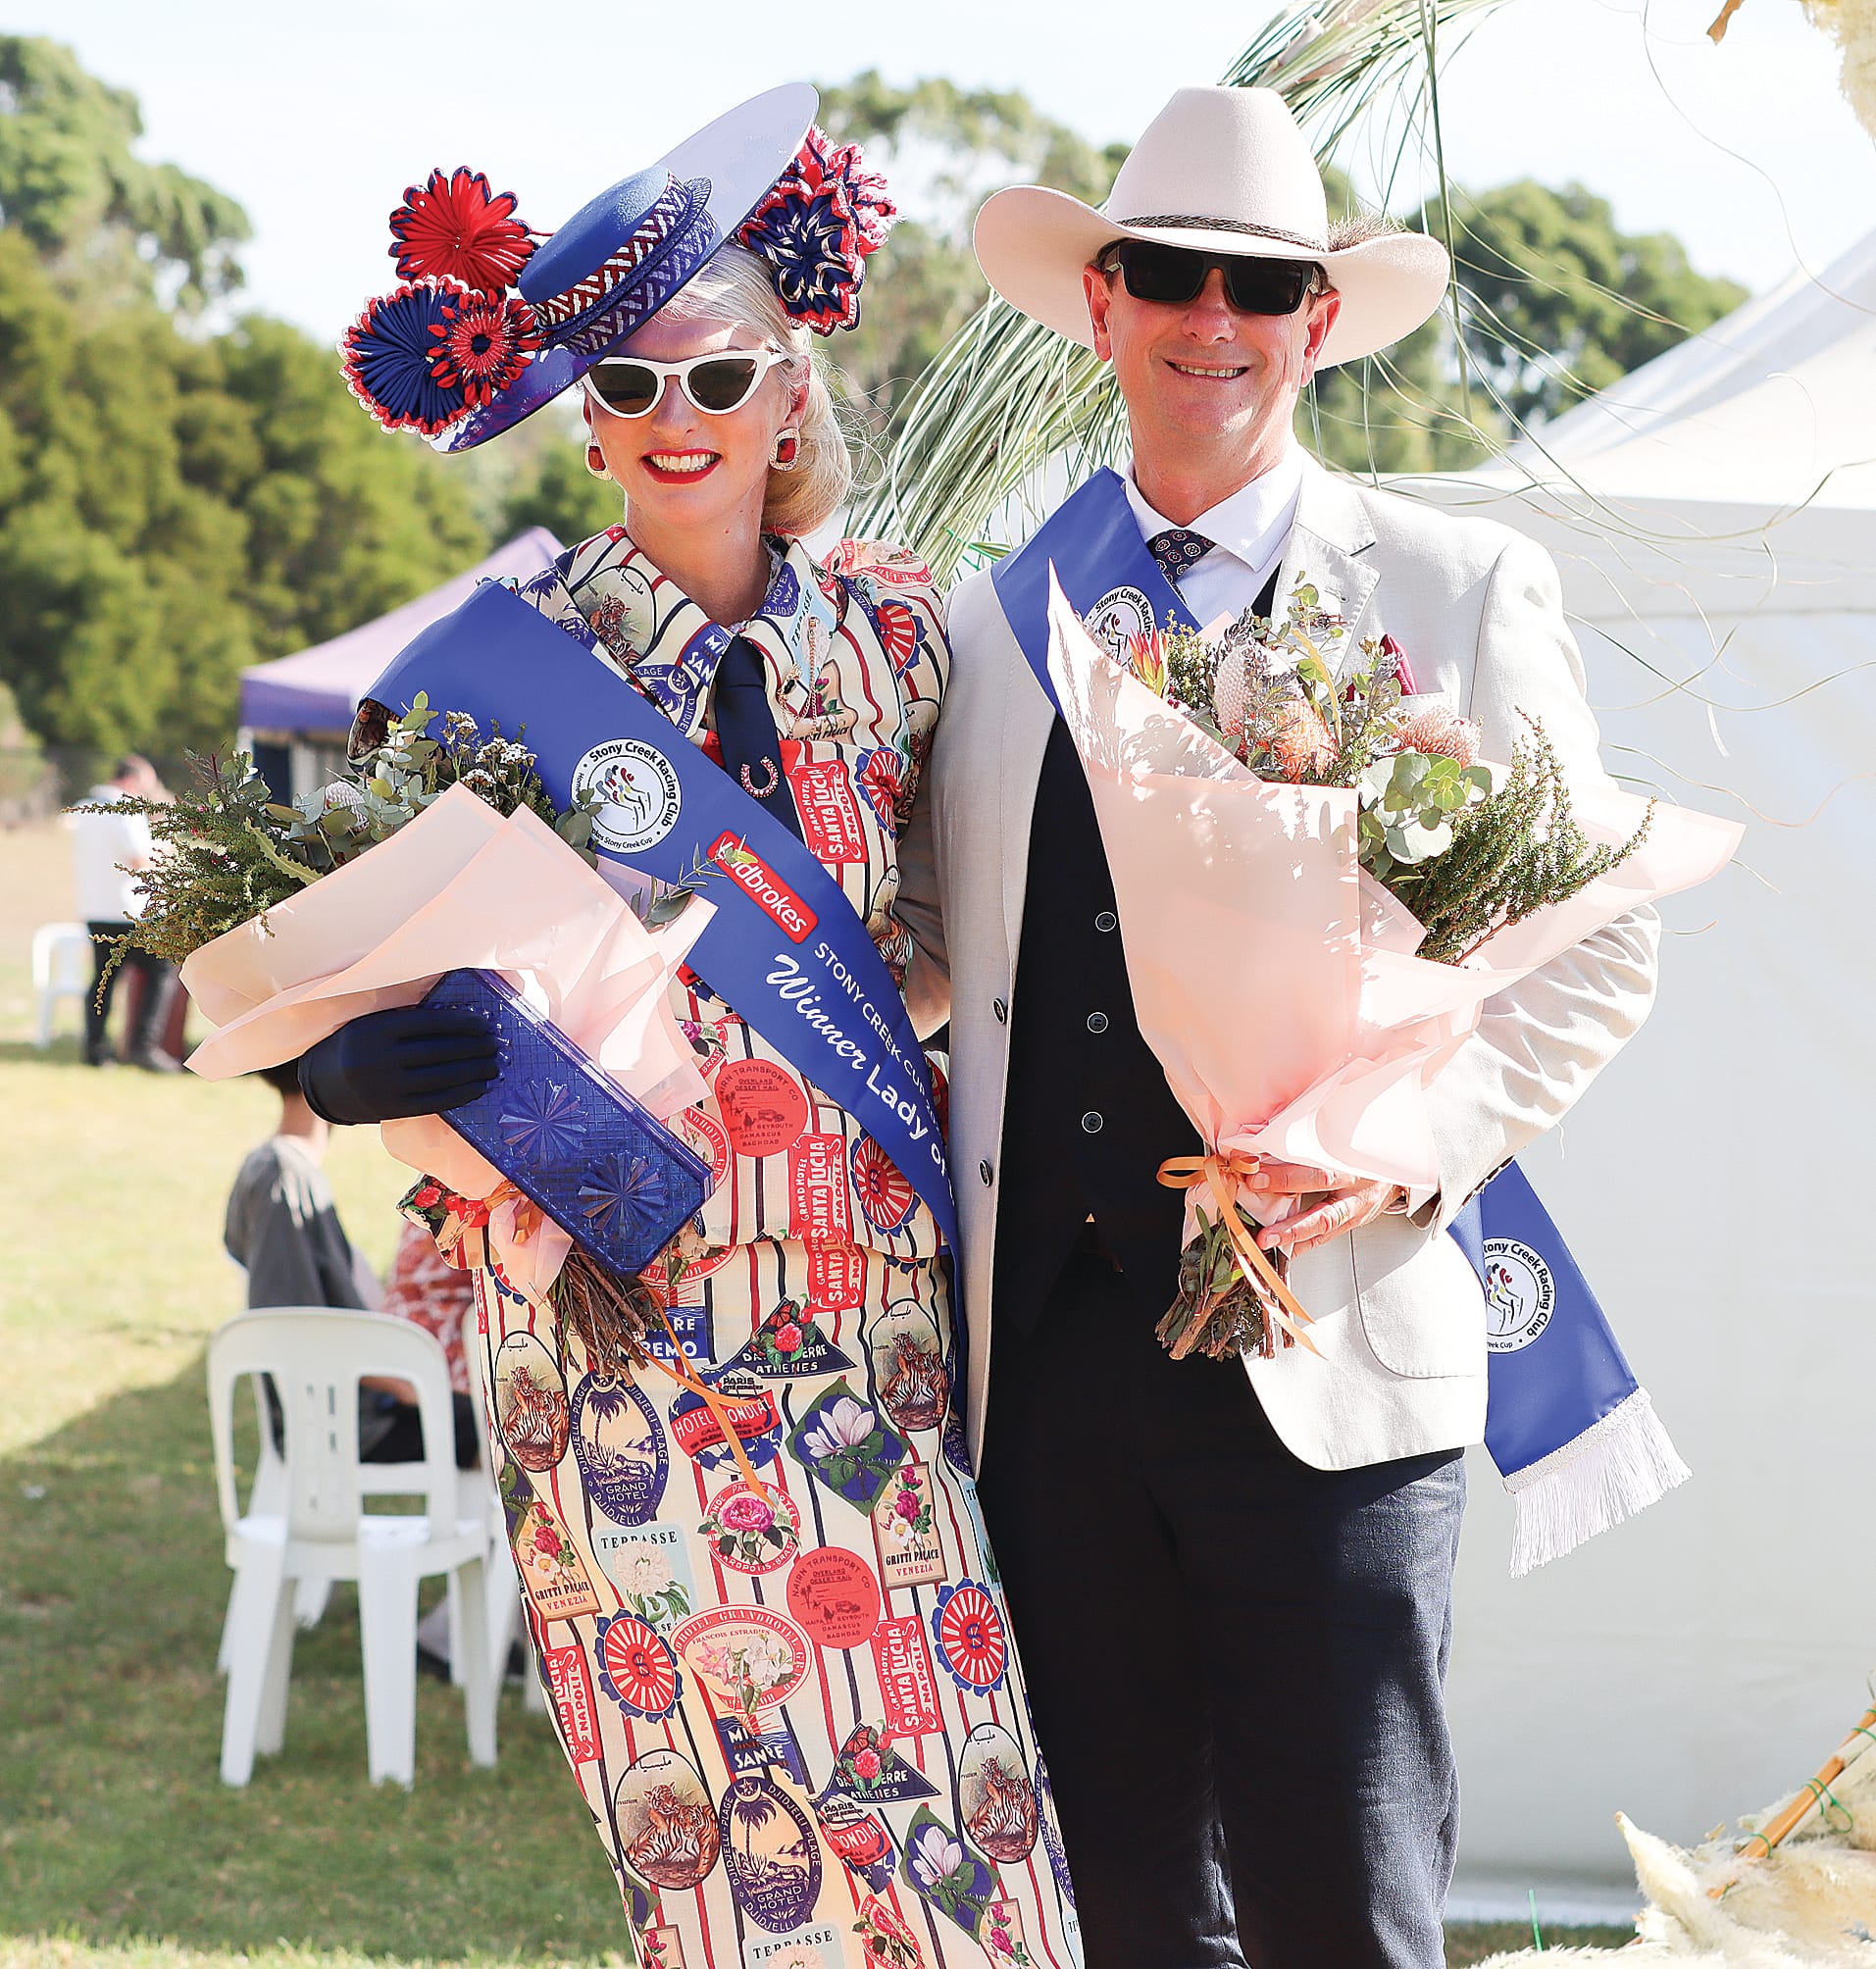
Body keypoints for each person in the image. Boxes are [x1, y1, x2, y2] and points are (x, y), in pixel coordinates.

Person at [296, 91, 1081, 1969]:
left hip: (871, 1318)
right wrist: (325, 1067)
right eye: (628, 391)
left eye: (713, 382)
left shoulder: (906, 640)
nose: (673, 427)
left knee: (967, 1817)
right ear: (582, 413)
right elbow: (365, 973)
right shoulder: (501, 670)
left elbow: (958, 940)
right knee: (720, 1851)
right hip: (611, 1335)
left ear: (789, 391)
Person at [893, 87, 1661, 1969]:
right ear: (1100, 304)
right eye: (1166, 273)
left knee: (1344, 1910)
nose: (1207, 318)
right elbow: (923, 952)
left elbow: (1587, 957)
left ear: (1316, 321)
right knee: (1125, 1909)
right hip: (1051, 1380)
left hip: (1332, 1376)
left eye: (1254, 282)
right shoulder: (991, 624)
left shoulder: (1462, 587)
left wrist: (1376, 1150)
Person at [227, 1059, 480, 1470]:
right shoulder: (282, 1176)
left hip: (359, 1403)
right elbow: (290, 1323)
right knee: (498, 1431)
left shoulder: (282, 1168)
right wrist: (405, 1381)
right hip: (345, 1421)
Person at [68, 755, 178, 1070]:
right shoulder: (125, 811)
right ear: (132, 781)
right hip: (130, 912)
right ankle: (143, 1046)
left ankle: (95, 1049)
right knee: (161, 971)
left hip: (94, 908)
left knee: (103, 980)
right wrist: (167, 850)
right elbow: (139, 859)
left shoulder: (85, 808)